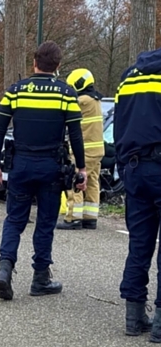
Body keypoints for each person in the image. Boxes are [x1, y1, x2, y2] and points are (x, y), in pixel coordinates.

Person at [0, 41, 87, 300]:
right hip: (51, 168)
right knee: (44, 223)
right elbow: (76, 135)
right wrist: (82, 168)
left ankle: (5, 268)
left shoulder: (16, 91)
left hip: (20, 165)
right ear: (58, 66)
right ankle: (40, 278)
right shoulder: (66, 93)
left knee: (14, 220)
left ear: (34, 63)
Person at [114, 48, 161, 340]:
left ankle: (134, 317)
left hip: (134, 167)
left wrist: (124, 169)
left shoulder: (128, 77)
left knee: (139, 243)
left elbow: (118, 127)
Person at [57, 69, 105, 230]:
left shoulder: (82, 101)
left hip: (84, 151)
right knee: (92, 182)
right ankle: (90, 217)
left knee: (75, 181)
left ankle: (73, 218)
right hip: (97, 151)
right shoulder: (96, 100)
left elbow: (62, 110)